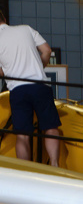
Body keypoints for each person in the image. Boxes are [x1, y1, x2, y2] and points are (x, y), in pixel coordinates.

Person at [0, 11, 60, 165]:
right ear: (4, 19)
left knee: (22, 135)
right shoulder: (26, 29)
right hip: (40, 85)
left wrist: (9, 70)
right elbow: (47, 50)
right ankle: (54, 164)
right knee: (50, 127)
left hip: (17, 90)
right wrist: (38, 67)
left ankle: (26, 170)